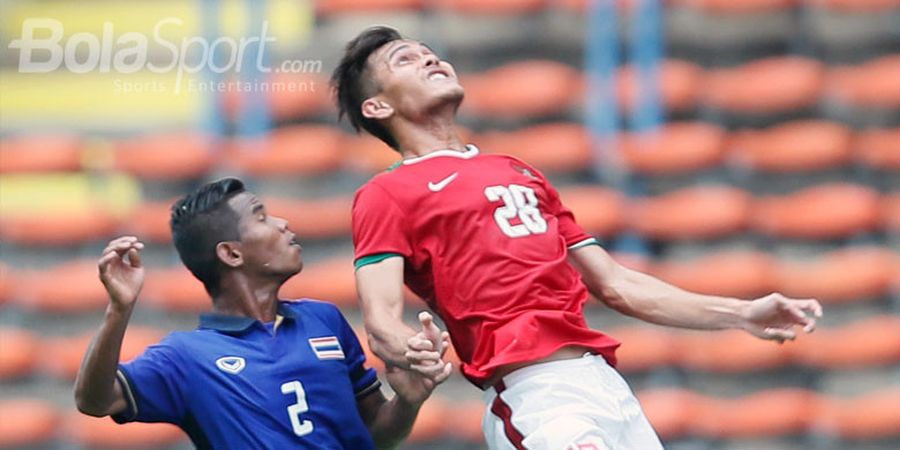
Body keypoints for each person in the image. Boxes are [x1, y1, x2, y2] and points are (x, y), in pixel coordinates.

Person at [331, 27, 824, 450]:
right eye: (406, 59)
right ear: (377, 105)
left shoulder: (519, 171)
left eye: (430, 52)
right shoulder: (386, 193)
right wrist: (407, 349)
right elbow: (381, 321)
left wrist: (742, 312)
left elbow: (616, 285)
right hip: (535, 396)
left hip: (607, 387)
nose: (430, 59)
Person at [74, 177, 452, 450]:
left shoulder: (326, 321)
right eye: (261, 217)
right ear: (231, 254)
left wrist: (407, 401)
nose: (283, 223)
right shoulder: (185, 358)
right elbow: (95, 401)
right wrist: (119, 310)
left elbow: (375, 435)